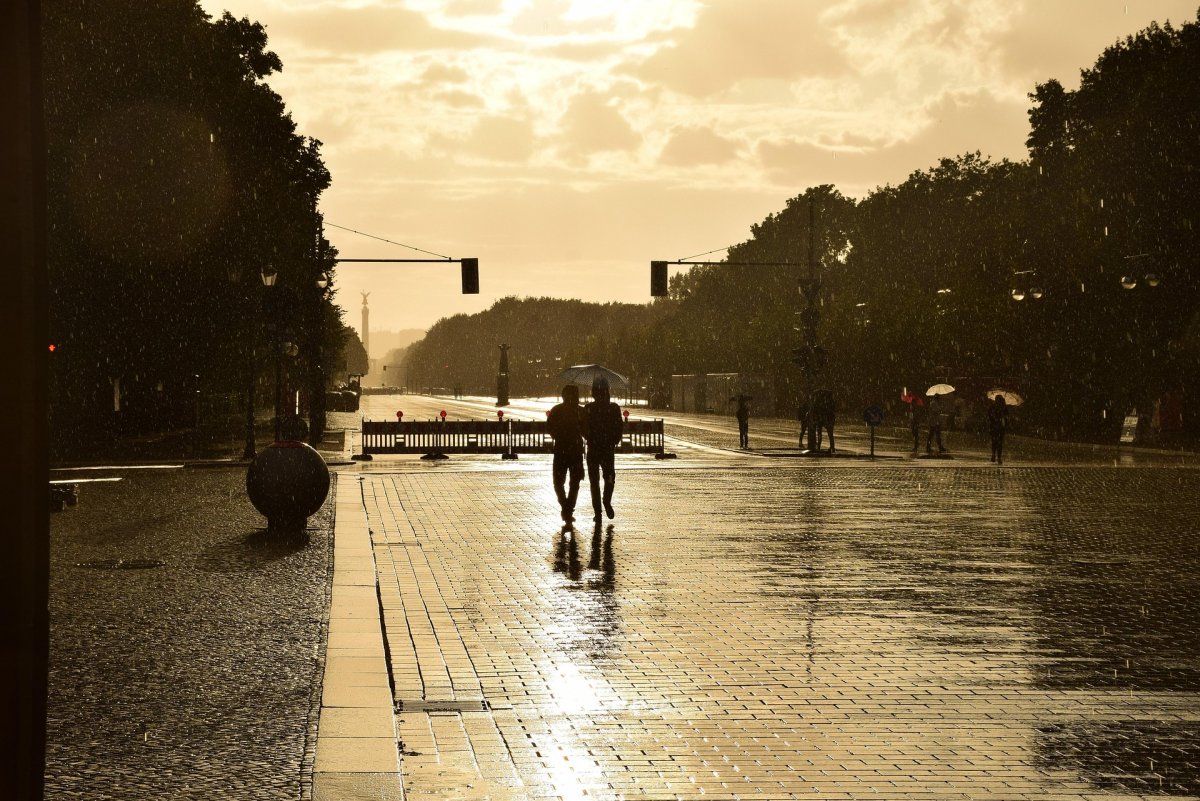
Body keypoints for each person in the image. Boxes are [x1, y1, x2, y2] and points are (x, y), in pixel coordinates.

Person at [585, 375, 624, 523]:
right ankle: (606, 501)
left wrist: (589, 437)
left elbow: (583, 427)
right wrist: (614, 440)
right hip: (607, 449)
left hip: (594, 449)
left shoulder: (589, 408)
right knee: (609, 478)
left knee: (594, 482)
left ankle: (598, 512)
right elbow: (619, 427)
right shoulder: (613, 408)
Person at [547, 384, 587, 524]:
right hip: (573, 449)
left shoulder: (559, 410)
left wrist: (560, 434)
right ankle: (567, 507)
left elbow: (550, 429)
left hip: (564, 449)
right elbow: (586, 430)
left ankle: (566, 507)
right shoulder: (579, 411)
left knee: (562, 482)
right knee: (571, 482)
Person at [987, 395, 1008, 464]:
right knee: (999, 443)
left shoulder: (993, 407)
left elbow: (989, 416)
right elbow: (1006, 417)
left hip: (994, 427)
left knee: (994, 442)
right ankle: (999, 457)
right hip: (1000, 427)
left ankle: (994, 455)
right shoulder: (1003, 407)